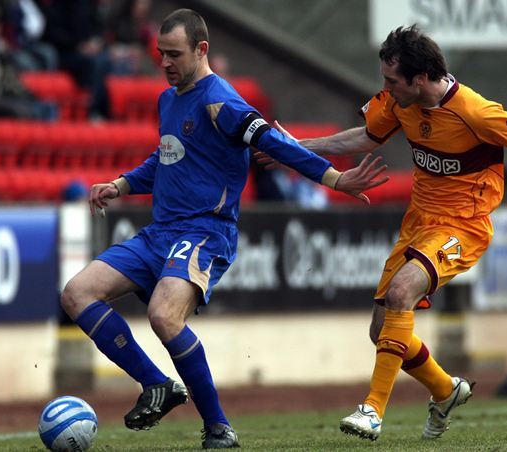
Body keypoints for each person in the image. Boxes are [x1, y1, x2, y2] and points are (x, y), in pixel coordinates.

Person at [256, 25, 507, 442]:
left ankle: (371, 410)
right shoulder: (400, 101)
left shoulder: (474, 111)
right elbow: (365, 138)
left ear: (420, 78)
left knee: (402, 293)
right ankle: (445, 389)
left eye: (391, 81)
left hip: (464, 226)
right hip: (418, 224)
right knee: (380, 331)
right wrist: (298, 146)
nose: (384, 88)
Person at [61, 9, 388, 449]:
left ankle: (218, 426)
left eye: (174, 54)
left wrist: (335, 179)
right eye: (160, 54)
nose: (165, 63)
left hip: (204, 231)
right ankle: (157, 385)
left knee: (163, 315)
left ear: (202, 50)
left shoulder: (224, 102)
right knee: (76, 293)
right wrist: (120, 185)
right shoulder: (168, 99)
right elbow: (167, 157)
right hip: (159, 232)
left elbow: (273, 144)